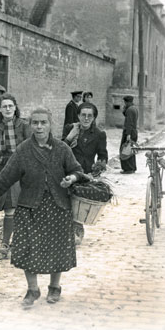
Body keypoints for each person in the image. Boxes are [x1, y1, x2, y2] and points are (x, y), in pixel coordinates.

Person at [0, 107, 83, 307]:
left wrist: (71, 178)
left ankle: (54, 287)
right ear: (30, 125)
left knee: (57, 249)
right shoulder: (23, 150)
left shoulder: (62, 149)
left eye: (43, 122)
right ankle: (32, 289)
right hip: (29, 206)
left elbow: (77, 170)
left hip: (58, 206)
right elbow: (6, 176)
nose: (39, 127)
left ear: (50, 124)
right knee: (27, 248)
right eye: (35, 123)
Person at [0, 93, 31, 258]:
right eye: (4, 106)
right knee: (10, 209)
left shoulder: (24, 125)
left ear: (15, 107)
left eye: (10, 106)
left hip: (24, 170)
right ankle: (5, 244)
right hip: (5, 171)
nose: (8, 109)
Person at [62, 102, 108, 245]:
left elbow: (102, 155)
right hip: (68, 170)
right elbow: (60, 150)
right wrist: (70, 137)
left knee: (78, 202)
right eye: (83, 115)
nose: (86, 118)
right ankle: (64, 229)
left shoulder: (99, 134)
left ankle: (77, 228)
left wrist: (99, 166)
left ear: (94, 118)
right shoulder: (70, 129)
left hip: (86, 173)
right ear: (78, 116)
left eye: (90, 116)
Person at [120, 95, 138, 174]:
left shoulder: (130, 110)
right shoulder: (134, 108)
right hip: (133, 132)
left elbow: (129, 123)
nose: (124, 104)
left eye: (125, 102)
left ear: (127, 102)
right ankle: (132, 167)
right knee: (130, 150)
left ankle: (128, 169)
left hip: (129, 132)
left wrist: (128, 134)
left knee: (125, 150)